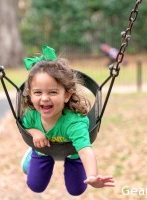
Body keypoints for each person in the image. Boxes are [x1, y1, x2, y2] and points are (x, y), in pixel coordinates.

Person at [20, 45, 115, 196]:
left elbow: (85, 150)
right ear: (30, 94)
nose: (44, 98)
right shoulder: (32, 114)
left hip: (73, 153)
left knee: (76, 190)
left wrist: (92, 176)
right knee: (35, 186)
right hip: (43, 150)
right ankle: (30, 155)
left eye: (52, 92)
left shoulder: (74, 123)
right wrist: (35, 132)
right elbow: (24, 126)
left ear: (66, 95)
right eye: (38, 92)